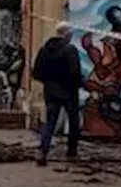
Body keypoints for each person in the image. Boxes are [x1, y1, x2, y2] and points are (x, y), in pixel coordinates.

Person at [31, 21, 83, 165]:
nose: (71, 36)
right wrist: (78, 84)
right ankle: (72, 153)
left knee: (50, 122)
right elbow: (75, 72)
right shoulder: (70, 50)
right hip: (69, 92)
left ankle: (42, 151)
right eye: (71, 34)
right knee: (73, 122)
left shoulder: (44, 50)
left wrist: (48, 82)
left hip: (51, 92)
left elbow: (36, 72)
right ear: (66, 34)